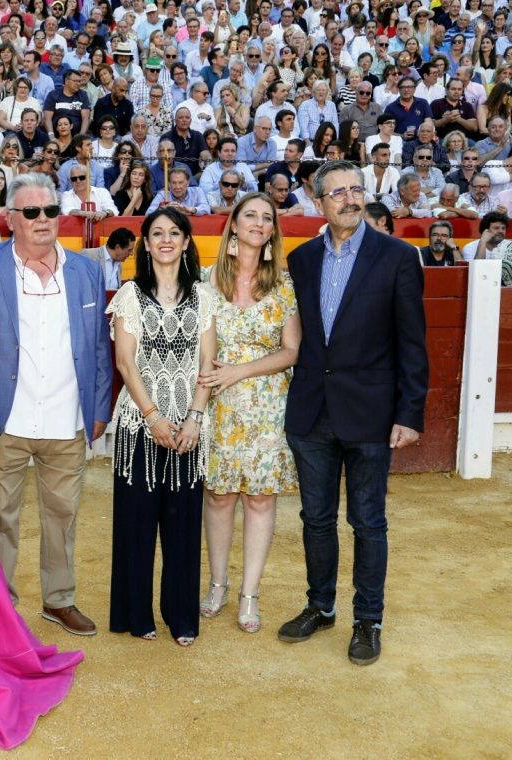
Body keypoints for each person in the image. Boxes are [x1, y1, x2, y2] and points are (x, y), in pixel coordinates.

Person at [277, 160, 429, 667]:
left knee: (368, 521)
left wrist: (409, 413)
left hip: (370, 414)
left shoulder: (398, 256)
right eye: (337, 192)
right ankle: (320, 607)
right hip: (313, 413)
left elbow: (412, 343)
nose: (349, 198)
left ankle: (369, 619)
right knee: (315, 520)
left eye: (356, 189)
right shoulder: (301, 260)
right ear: (318, 202)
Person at [0, 172, 113, 637]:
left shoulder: (87, 270)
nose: (42, 220)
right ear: (11, 219)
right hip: (5, 416)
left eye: (50, 211)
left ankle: (59, 600)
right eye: (30, 212)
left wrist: (99, 408)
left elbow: (97, 346)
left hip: (67, 416)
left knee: (63, 517)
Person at [106, 207, 214, 647]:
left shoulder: (204, 297)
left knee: (183, 527)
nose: (166, 239)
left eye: (174, 233)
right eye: (157, 233)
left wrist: (194, 418)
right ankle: (136, 613)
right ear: (145, 244)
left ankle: (182, 615)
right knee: (136, 525)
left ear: (187, 242)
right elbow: (124, 362)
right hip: (139, 425)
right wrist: (153, 416)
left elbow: (208, 364)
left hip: (189, 429)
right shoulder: (130, 295)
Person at [199, 192, 301, 633]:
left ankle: (249, 594)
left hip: (267, 404)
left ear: (272, 230)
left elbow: (292, 350)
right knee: (219, 496)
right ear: (234, 226)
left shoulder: (284, 284)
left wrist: (240, 370)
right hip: (219, 404)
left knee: (260, 497)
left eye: (267, 218)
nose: (259, 223)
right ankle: (218, 584)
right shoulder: (205, 282)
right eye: (250, 216)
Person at [78, 227, 134, 291]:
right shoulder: (89, 255)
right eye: (129, 250)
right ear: (118, 247)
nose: (131, 254)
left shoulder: (119, 265)